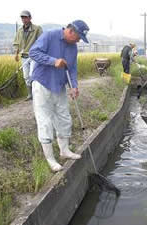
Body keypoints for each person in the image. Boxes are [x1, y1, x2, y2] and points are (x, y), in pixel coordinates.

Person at [29, 20, 89, 172]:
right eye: (78, 37)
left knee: (64, 118)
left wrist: (74, 86)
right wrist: (53, 61)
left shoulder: (73, 48)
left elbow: (73, 68)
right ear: (71, 32)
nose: (79, 40)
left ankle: (64, 150)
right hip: (43, 83)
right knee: (45, 121)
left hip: (60, 86)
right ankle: (50, 159)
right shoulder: (50, 35)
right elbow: (33, 52)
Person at [13, 10, 43, 101]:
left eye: (25, 17)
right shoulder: (20, 31)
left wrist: (37, 52)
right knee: (26, 76)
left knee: (33, 75)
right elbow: (17, 43)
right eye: (22, 17)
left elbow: (42, 41)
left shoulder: (37, 28)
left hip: (34, 56)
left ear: (30, 18)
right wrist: (16, 54)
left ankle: (37, 93)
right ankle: (30, 95)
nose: (24, 19)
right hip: (24, 56)